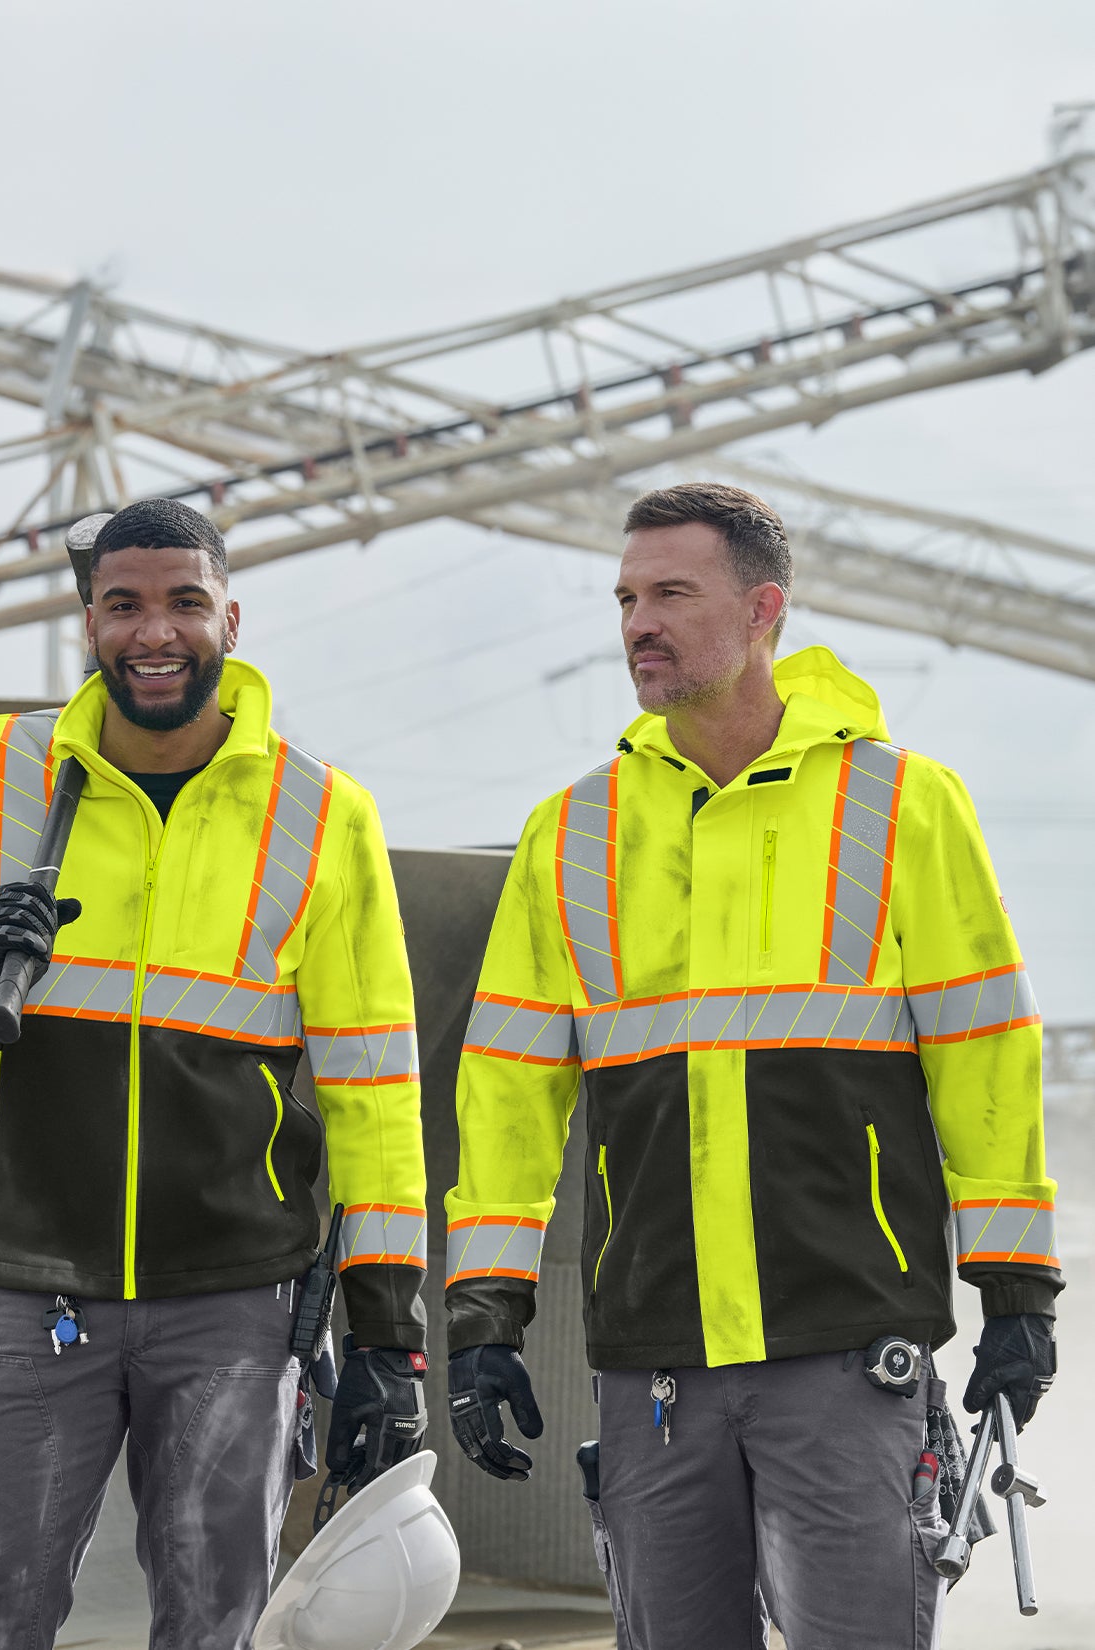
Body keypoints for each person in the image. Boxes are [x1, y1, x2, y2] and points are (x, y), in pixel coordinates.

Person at [443, 483, 1059, 1650]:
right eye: (626, 597)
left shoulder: (902, 804)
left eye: (672, 592)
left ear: (763, 608)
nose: (639, 623)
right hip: (655, 1359)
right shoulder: (571, 831)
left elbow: (987, 1058)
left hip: (844, 1349)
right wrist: (485, 1317)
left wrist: (1016, 1294)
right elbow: (510, 1090)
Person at [0, 498, 429, 1650]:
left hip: (236, 1304)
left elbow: (375, 1086)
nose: (152, 630)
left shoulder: (323, 813)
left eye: (183, 602)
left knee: (219, 1626)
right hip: (29, 1289)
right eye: (123, 606)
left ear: (231, 618)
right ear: (90, 623)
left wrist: (387, 1331)